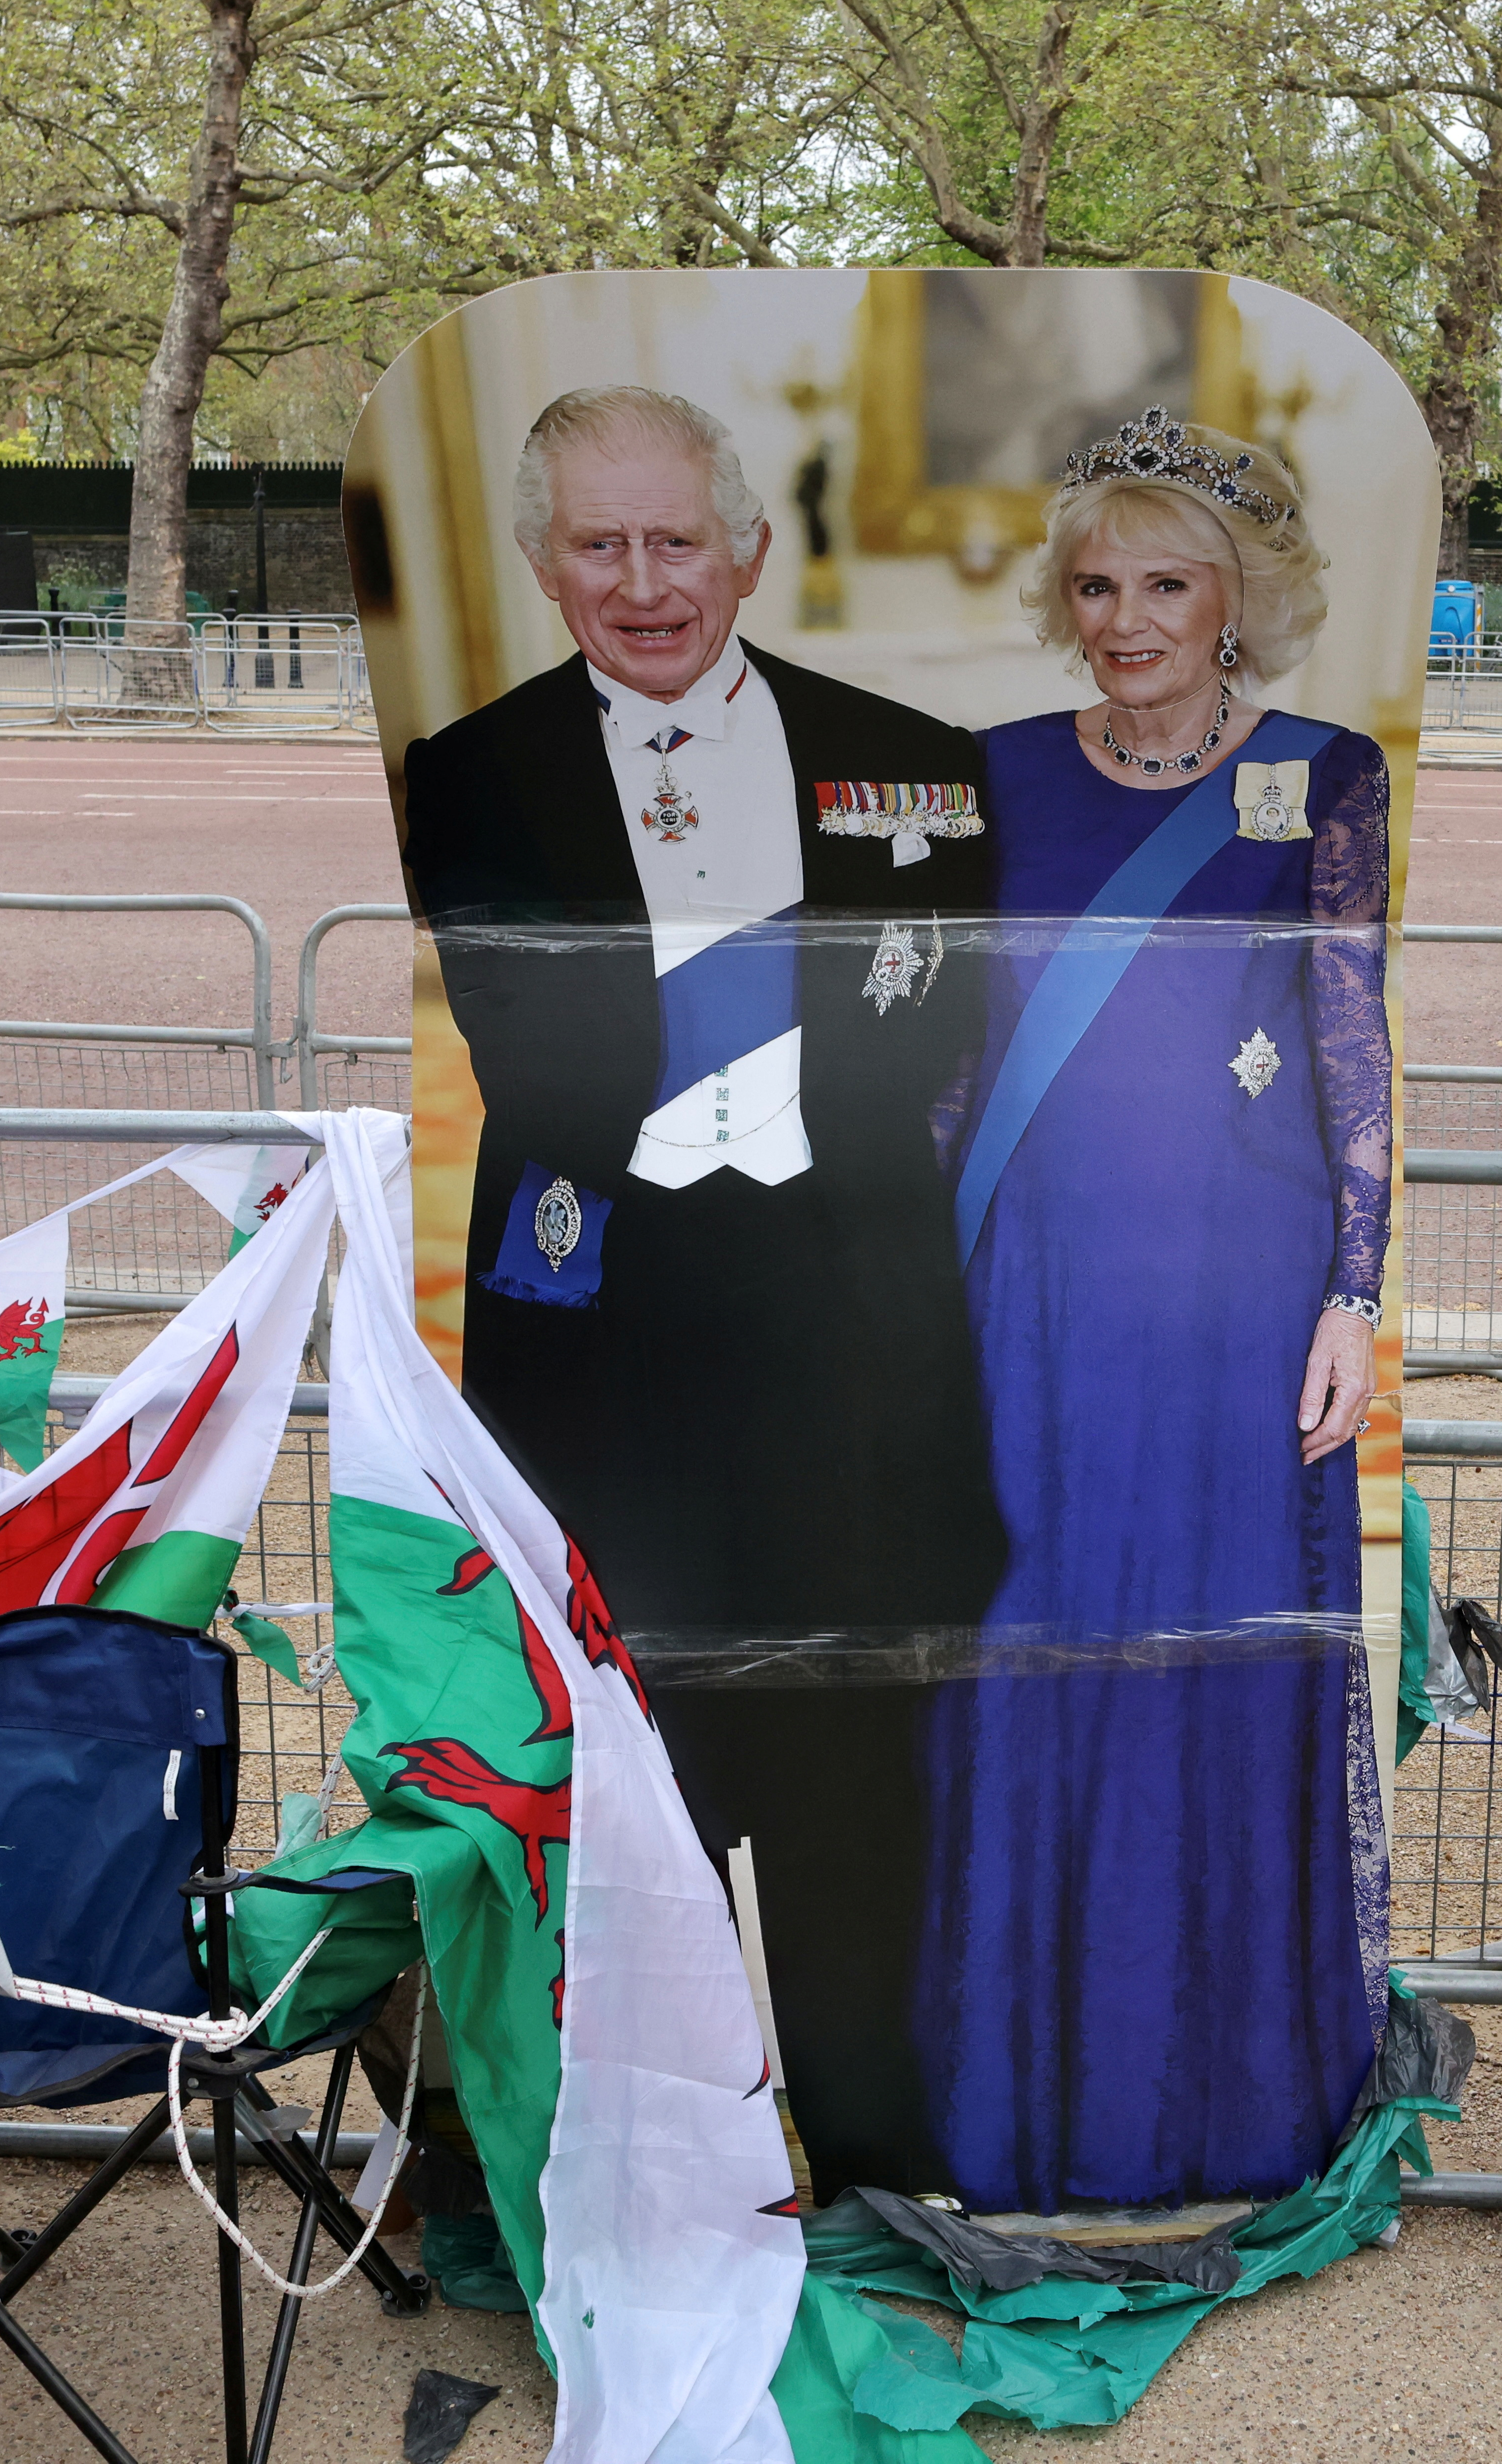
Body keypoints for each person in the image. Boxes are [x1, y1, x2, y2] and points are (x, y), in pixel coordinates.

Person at [395, 383, 1007, 2193]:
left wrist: (745, 1084)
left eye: (678, 539)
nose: (644, 581)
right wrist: (765, 1079)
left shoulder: (913, 761)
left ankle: (883, 2166)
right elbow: (546, 1054)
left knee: (849, 1780)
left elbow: (927, 1045)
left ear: (746, 547)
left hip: (851, 1368)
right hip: (610, 1380)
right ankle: (629, 2176)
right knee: (613, 1778)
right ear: (541, 561)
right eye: (601, 544)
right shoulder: (468, 772)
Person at [915, 410, 1388, 2211]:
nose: (1127, 620)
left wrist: (1355, 1285)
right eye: (1097, 585)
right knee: (1025, 1660)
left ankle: (1222, 2103)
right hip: (1026, 1305)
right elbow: (950, 1062)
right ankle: (1026, 2102)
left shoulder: (1324, 773)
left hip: (1231, 1305)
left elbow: (1347, 1033)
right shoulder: (990, 771)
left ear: (1235, 599)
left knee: (1214, 1669)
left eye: (1167, 584)